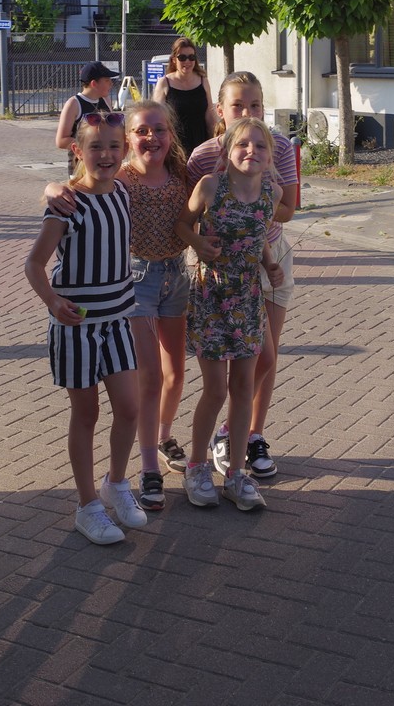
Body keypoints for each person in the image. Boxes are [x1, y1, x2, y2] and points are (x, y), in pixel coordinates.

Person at [44, 100, 201, 514]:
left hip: (172, 278)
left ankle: (157, 442)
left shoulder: (179, 175)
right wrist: (51, 187)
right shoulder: (120, 180)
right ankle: (143, 471)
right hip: (132, 285)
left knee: (172, 375)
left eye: (159, 129)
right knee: (143, 381)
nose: (152, 137)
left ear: (171, 134)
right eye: (141, 130)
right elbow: (75, 188)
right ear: (129, 139)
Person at [23, 111, 147, 546]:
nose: (106, 155)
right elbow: (34, 264)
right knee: (87, 413)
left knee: (129, 407)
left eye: (114, 146)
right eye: (96, 146)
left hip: (118, 321)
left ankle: (117, 484)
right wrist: (53, 302)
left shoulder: (123, 191)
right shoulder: (66, 205)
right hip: (77, 326)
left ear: (125, 149)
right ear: (78, 151)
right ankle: (87, 505)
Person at [187, 71, 300, 484]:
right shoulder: (204, 159)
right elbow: (188, 214)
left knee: (264, 359)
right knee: (225, 379)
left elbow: (286, 209)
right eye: (238, 105)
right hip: (218, 277)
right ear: (221, 110)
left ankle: (248, 437)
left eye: (255, 105)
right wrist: (201, 242)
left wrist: (259, 204)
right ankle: (210, 450)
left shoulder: (277, 149)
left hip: (263, 261)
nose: (247, 112)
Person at [179, 116, 283, 512]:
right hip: (211, 297)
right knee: (215, 390)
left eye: (260, 146)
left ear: (269, 157)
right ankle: (197, 467)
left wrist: (270, 264)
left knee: (243, 389)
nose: (251, 151)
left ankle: (237, 474)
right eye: (243, 144)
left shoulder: (271, 193)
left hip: (248, 301)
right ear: (227, 151)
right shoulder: (210, 186)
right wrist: (198, 243)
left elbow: (259, 238)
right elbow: (182, 225)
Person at [152, 37, 219, 156]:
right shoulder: (164, 83)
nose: (187, 61)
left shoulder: (203, 81)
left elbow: (209, 114)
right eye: (182, 57)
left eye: (191, 57)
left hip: (200, 142)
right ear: (174, 60)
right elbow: (157, 118)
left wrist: (215, 141)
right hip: (175, 146)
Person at [55, 62, 115, 160]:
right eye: (107, 80)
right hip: (81, 164)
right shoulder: (74, 104)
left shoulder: (105, 99)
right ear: (94, 84)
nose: (111, 84)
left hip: (105, 161)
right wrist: (93, 145)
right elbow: (61, 141)